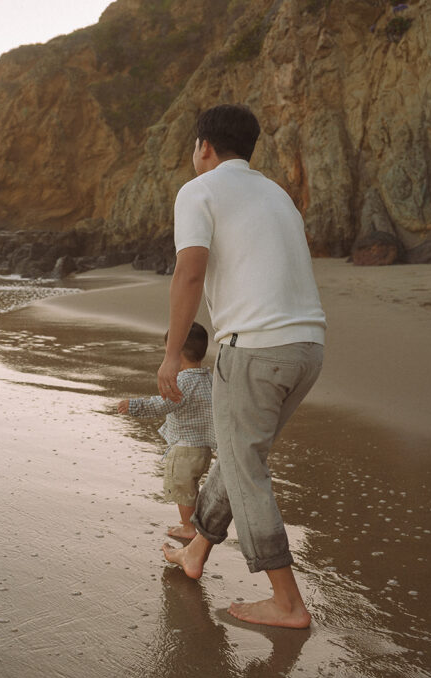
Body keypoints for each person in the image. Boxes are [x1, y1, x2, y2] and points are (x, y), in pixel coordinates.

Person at [157, 104, 326, 629]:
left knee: (245, 467)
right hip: (308, 346)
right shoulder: (276, 193)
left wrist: (171, 353)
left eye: (192, 146)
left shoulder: (199, 190)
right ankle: (196, 554)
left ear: (204, 146)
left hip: (254, 349)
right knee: (237, 457)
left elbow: (189, 272)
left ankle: (287, 601)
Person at [118, 322, 215, 540]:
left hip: (184, 448)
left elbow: (160, 405)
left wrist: (133, 405)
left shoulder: (181, 381)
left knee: (183, 490)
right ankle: (194, 523)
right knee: (191, 487)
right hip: (204, 448)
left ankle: (189, 528)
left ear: (177, 354)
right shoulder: (209, 379)